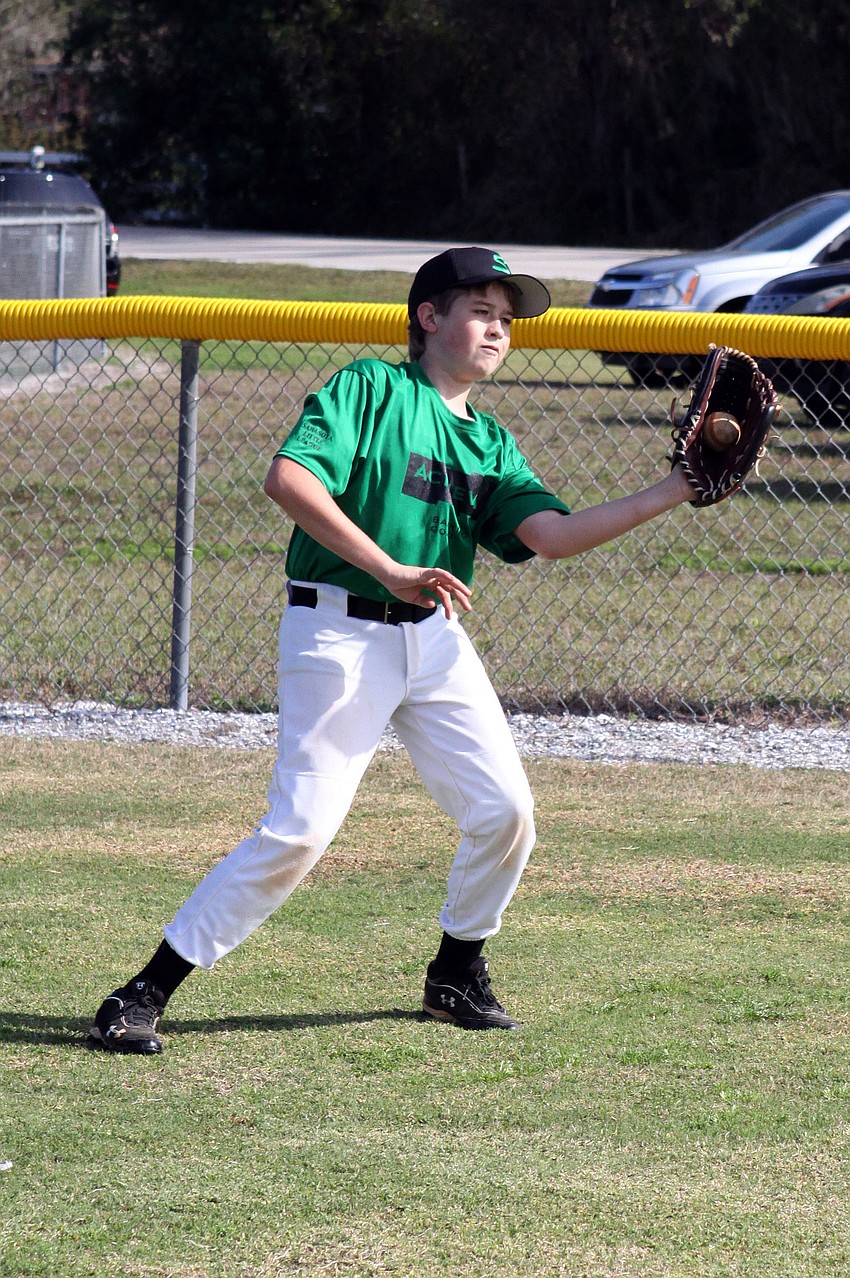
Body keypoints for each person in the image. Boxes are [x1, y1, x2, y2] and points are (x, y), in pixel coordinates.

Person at [89, 246, 696, 1054]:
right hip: (337, 628)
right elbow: (288, 480)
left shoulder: (490, 444)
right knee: (301, 829)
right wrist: (388, 567)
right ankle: (142, 991)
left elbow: (550, 536)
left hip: (434, 640)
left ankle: (456, 971)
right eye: (481, 310)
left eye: (507, 319)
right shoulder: (370, 389)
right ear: (428, 316)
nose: (498, 329)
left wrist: (675, 490)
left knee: (507, 811)